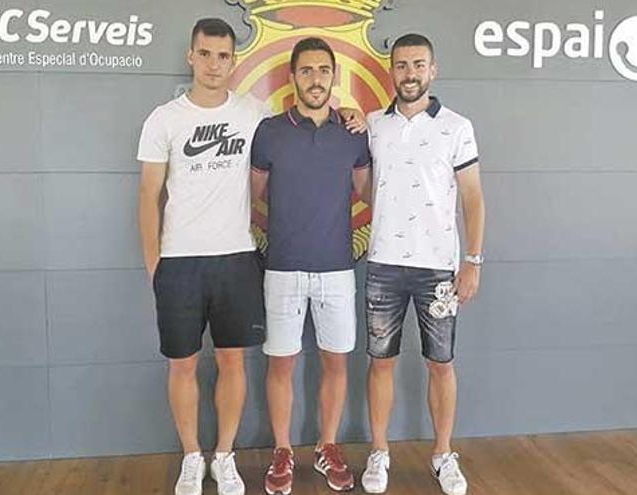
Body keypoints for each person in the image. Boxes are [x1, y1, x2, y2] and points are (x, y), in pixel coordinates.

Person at [137, 19, 367, 495]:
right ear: (191, 56)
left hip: (239, 259)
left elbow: (316, 146)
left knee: (233, 362)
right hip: (180, 261)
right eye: (205, 54)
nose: (214, 64)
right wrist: (154, 264)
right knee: (182, 365)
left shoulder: (255, 114)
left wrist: (353, 113)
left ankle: (224, 456)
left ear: (234, 61)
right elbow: (147, 195)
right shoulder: (164, 119)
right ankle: (190, 457)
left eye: (223, 56)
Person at [360, 33, 486, 495]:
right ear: (390, 71)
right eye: (401, 66)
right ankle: (379, 452)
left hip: (438, 271)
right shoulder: (373, 125)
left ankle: (442, 454)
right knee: (380, 363)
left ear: (432, 70)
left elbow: (472, 196)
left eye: (418, 65)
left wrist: (472, 260)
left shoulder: (457, 126)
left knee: (441, 364)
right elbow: (362, 187)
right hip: (383, 266)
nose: (409, 74)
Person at [250, 37, 371, 495]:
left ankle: (327, 445)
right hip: (281, 267)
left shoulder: (353, 133)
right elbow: (254, 195)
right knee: (281, 364)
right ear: (293, 77)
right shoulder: (270, 132)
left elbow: (368, 192)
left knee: (336, 363)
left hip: (337, 268)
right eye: (306, 71)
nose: (315, 78)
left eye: (323, 70)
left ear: (334, 76)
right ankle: (282, 451)